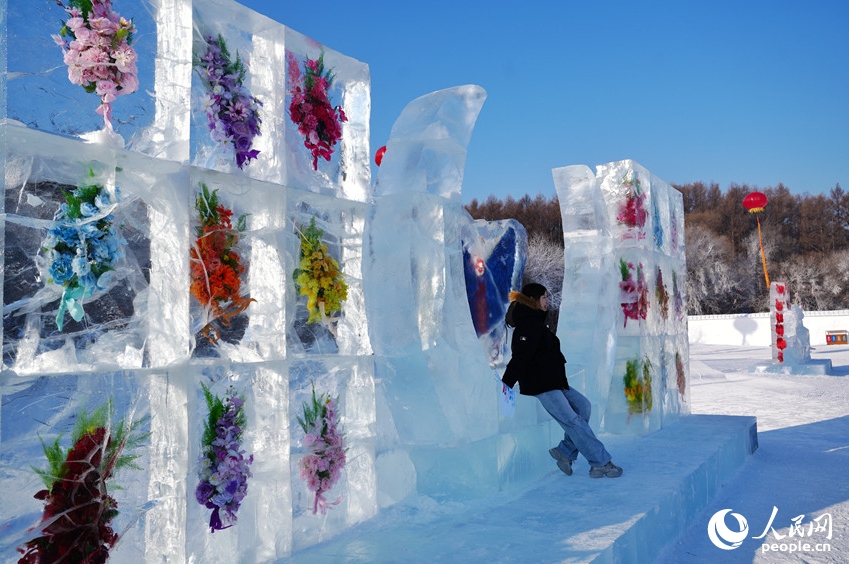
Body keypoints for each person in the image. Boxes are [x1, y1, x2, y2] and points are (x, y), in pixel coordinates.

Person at [502, 283, 623, 478]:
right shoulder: (528, 325)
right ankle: (600, 462)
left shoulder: (537, 322)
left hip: (554, 382)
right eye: (543, 297)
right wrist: (506, 384)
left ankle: (565, 452)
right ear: (532, 300)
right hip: (540, 385)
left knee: (584, 407)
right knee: (573, 420)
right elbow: (520, 358)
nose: (547, 301)